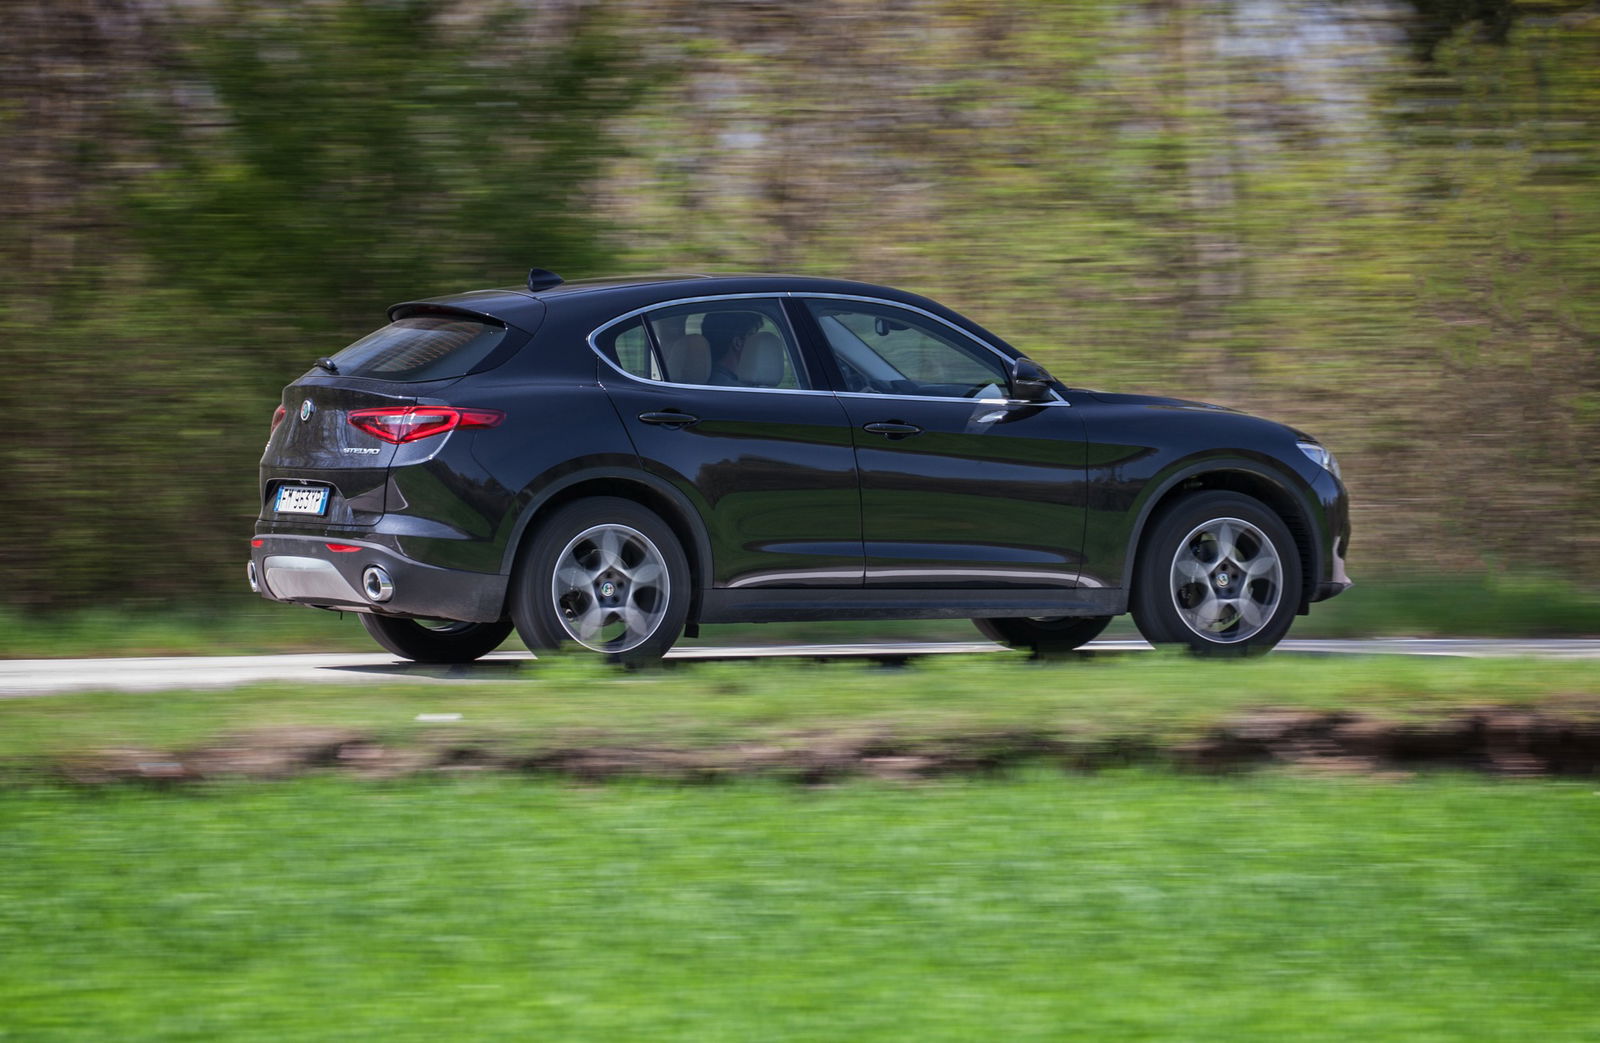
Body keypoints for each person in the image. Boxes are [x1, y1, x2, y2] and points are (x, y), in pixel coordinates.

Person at [702, 311, 764, 386]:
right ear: (738, 343)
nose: (757, 343)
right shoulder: (736, 388)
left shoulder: (710, 380)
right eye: (753, 336)